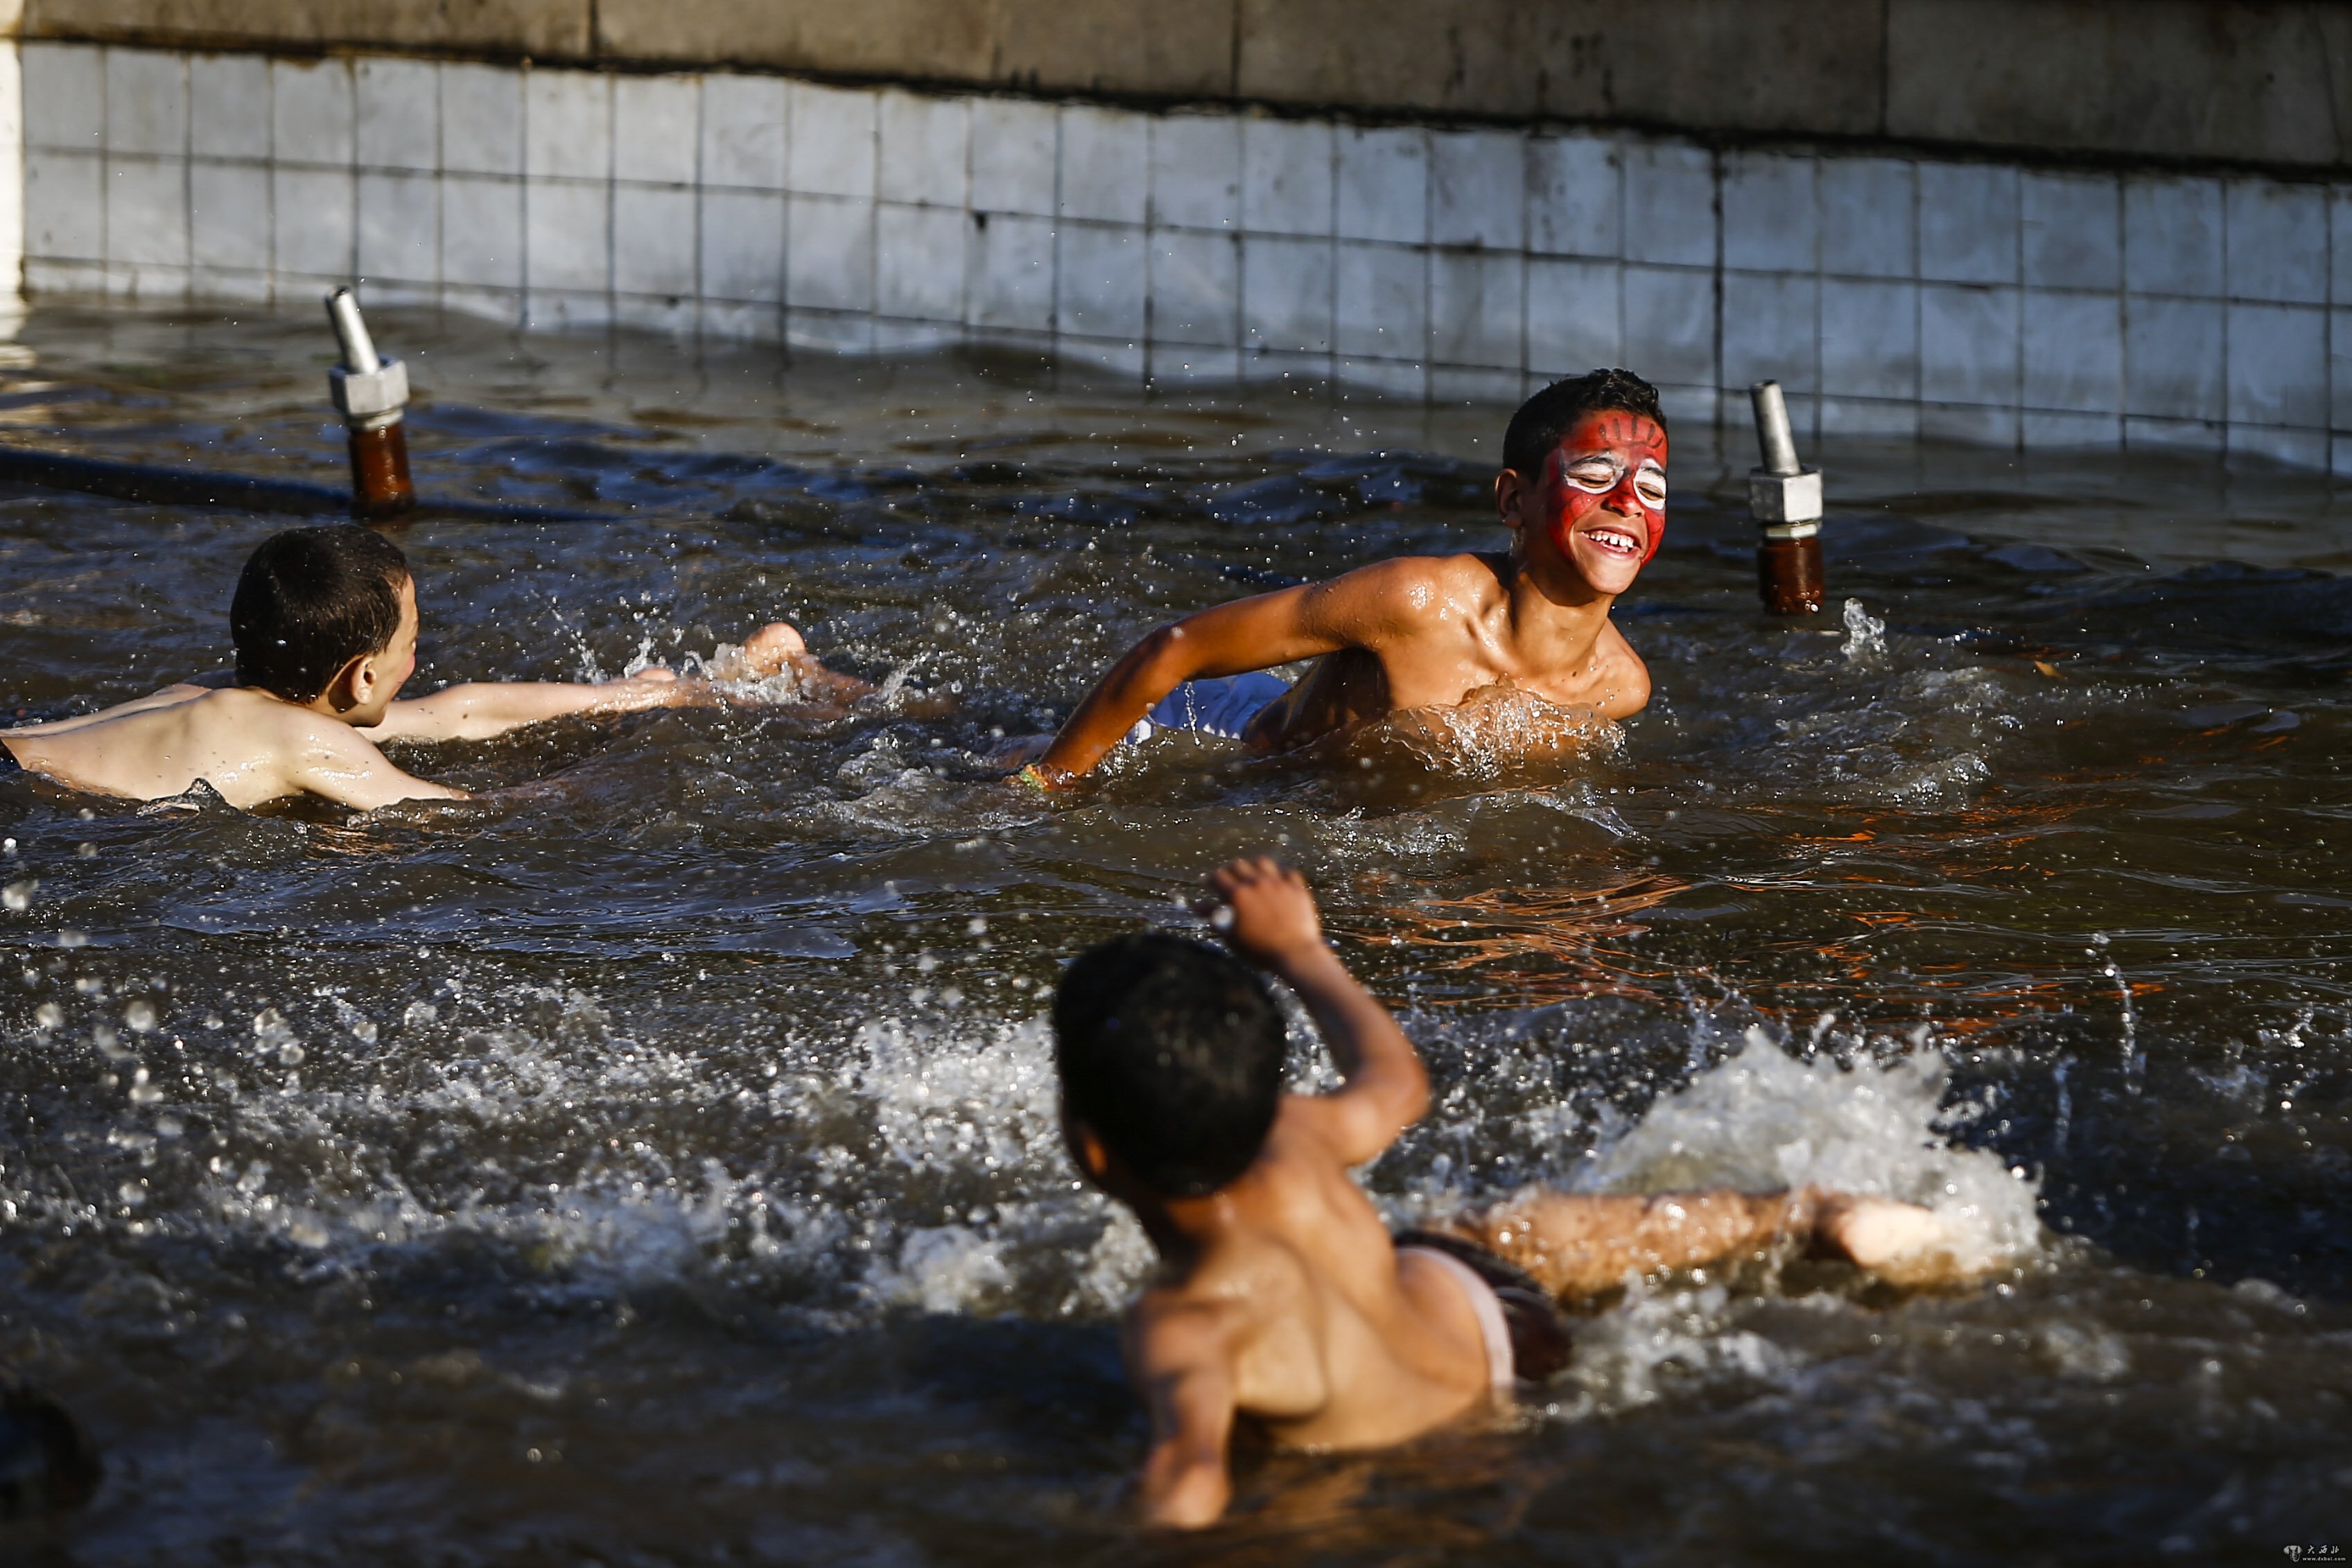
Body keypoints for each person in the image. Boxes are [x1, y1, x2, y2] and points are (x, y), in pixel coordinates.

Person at [1054, 857, 1985, 1529]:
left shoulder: (1185, 1321)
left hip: (1441, 1459)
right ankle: (1804, 1215)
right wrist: (1302, 951)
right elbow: (1397, 1085)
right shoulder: (1296, 1130)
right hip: (1495, 1317)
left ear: (1092, 1149)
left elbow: (1186, 1481)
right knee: (1531, 1233)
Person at [1012, 369, 1668, 790]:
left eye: (1651, 486)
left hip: (1307, 762)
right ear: (1511, 500)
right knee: (986, 760)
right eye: (1592, 475)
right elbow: (1177, 647)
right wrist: (1050, 785)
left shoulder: (1620, 687)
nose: (1627, 503)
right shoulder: (1417, 602)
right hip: (1215, 735)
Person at [0, 525, 862, 810]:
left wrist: (667, 697)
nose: (422, 657)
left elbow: (459, 713)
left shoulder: (225, 701)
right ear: (360, 679)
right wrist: (619, 781)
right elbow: (455, 812)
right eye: (410, 641)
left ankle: (747, 671)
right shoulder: (309, 744)